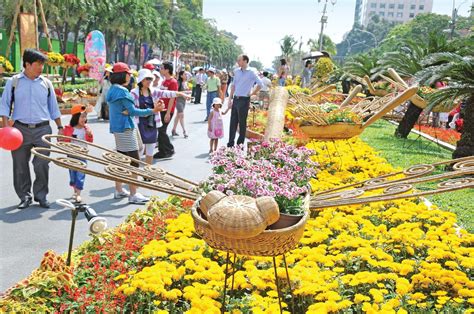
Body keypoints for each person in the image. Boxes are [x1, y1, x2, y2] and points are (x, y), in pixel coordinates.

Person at [0, 49, 63, 209]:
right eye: (38, 64)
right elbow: (5, 104)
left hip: (43, 130)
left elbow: (53, 108)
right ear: (27, 64)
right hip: (19, 130)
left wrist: (60, 127)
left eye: (42, 64)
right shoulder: (14, 82)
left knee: (42, 164)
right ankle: (24, 197)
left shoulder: (46, 83)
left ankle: (41, 196)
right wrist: (6, 125)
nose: (41, 68)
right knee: (20, 165)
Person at [107, 62, 163, 204]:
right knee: (134, 161)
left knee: (122, 158)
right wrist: (153, 110)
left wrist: (129, 111)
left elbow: (128, 110)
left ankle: (119, 190)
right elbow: (132, 111)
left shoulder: (112, 89)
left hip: (119, 128)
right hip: (126, 129)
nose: (130, 76)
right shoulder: (123, 91)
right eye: (128, 74)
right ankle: (133, 194)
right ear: (122, 75)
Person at [131, 69, 184, 165]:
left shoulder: (153, 91)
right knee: (138, 150)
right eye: (147, 79)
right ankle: (135, 173)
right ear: (141, 80)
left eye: (150, 79)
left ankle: (147, 175)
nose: (149, 81)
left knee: (150, 151)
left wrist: (181, 94)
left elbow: (167, 93)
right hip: (139, 124)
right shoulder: (134, 93)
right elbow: (131, 110)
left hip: (152, 123)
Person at [226, 54, 263, 147]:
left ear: (245, 61)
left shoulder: (252, 72)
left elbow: (260, 84)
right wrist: (230, 99)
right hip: (236, 99)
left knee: (242, 122)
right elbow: (233, 85)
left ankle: (240, 144)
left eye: (239, 60)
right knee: (233, 122)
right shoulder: (236, 71)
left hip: (244, 100)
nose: (238, 62)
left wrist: (252, 93)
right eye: (238, 60)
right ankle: (230, 143)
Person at [62, 105, 93, 203]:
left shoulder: (86, 128)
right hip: (71, 154)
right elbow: (63, 141)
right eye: (82, 116)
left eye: (85, 116)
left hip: (82, 155)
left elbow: (90, 141)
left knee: (81, 174)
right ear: (76, 117)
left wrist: (89, 134)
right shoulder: (68, 128)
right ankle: (75, 191)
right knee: (73, 174)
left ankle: (78, 194)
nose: (84, 119)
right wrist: (61, 139)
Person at [154, 61, 178, 159]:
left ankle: (169, 149)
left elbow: (172, 97)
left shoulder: (173, 82)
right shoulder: (164, 81)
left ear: (167, 70)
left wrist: (168, 113)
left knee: (162, 130)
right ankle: (162, 150)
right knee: (160, 130)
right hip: (161, 108)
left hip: (168, 110)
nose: (161, 69)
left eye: (162, 68)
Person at [172, 70, 190, 138]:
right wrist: (185, 93)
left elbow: (186, 92)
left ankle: (173, 130)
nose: (186, 75)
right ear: (181, 75)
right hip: (178, 100)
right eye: (185, 74)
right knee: (181, 115)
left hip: (183, 101)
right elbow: (177, 92)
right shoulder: (178, 82)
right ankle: (184, 131)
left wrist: (187, 96)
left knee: (178, 115)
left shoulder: (185, 83)